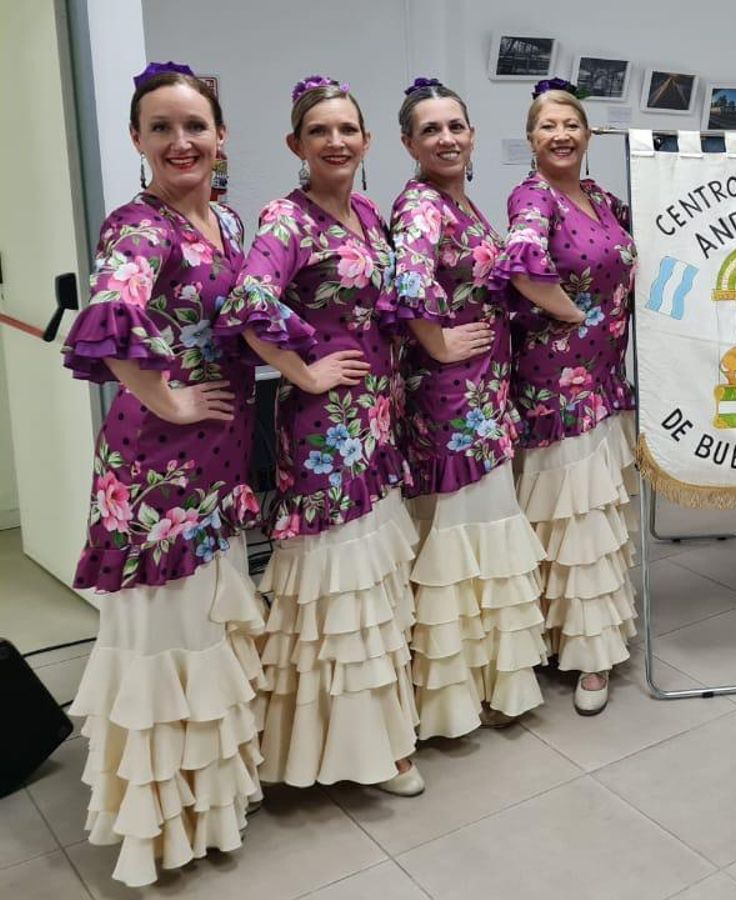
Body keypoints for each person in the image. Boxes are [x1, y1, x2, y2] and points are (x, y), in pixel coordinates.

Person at [61, 61, 265, 889]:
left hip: (218, 457)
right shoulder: (137, 228)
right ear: (138, 141)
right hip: (155, 469)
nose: (181, 142)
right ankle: (161, 827)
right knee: (164, 635)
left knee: (205, 628)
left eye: (196, 127)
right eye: (162, 128)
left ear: (222, 138)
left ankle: (212, 804)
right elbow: (108, 321)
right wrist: (169, 400)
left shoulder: (229, 217)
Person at [216, 75, 422, 792]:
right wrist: (300, 373)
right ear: (296, 145)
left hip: (376, 419)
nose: (335, 142)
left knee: (373, 582)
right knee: (339, 590)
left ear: (366, 141)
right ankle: (357, 750)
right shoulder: (286, 219)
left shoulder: (367, 210)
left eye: (346, 130)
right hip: (323, 428)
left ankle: (381, 731)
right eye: (320, 132)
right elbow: (249, 302)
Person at [390, 77, 550, 738]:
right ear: (408, 142)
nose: (446, 139)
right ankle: (453, 699)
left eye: (455, 126)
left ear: (473, 134)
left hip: (485, 395)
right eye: (431, 130)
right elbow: (406, 280)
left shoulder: (464, 203)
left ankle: (486, 682)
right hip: (451, 401)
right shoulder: (422, 205)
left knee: (483, 533)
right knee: (457, 537)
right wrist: (438, 338)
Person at [492, 78, 636, 714]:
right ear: (531, 139)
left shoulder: (602, 199)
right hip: (558, 382)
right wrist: (575, 316)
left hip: (603, 378)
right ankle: (588, 654)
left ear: (587, 134)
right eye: (547, 126)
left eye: (571, 125)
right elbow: (522, 265)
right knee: (571, 517)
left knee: (594, 516)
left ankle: (577, 632)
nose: (560, 135)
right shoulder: (532, 196)